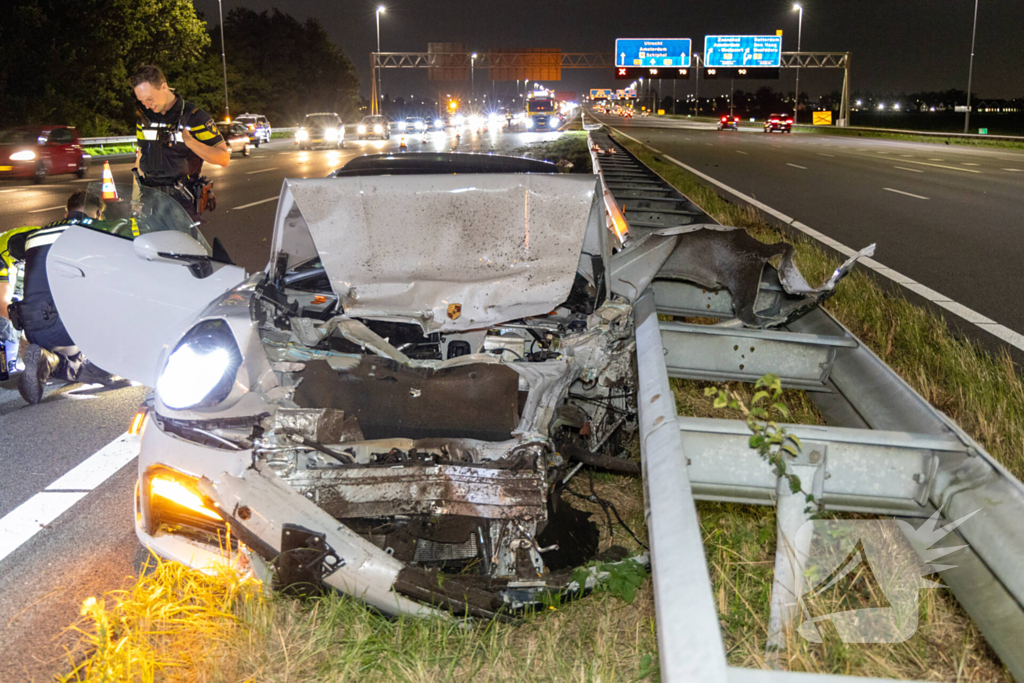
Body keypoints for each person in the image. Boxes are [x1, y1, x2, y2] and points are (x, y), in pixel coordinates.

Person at [7, 191, 120, 403]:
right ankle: (101, 366)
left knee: (72, 357)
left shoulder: (35, 235)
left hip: (35, 327)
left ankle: (47, 360)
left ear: (66, 211)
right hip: (72, 325)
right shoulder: (95, 230)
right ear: (97, 212)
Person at [130, 64, 229, 221]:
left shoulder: (195, 117)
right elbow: (141, 157)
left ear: (164, 87)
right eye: (142, 101)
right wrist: (135, 201)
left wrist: (191, 142)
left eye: (149, 99)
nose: (147, 105)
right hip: (151, 204)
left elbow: (223, 158)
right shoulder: (145, 119)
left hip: (182, 208)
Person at [1, 225, 38, 377]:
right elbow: (2, 303)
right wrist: (24, 326)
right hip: (5, 268)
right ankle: (7, 366)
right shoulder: (3, 259)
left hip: (23, 260)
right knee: (8, 321)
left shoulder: (41, 240)